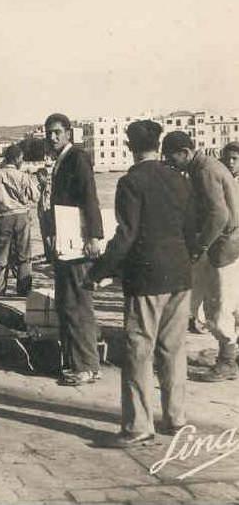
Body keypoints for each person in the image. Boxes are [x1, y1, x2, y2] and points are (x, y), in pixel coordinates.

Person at [87, 121, 196, 447]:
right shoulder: (180, 179)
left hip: (147, 278)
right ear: (159, 144)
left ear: (128, 145)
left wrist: (98, 271)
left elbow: (126, 235)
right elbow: (192, 228)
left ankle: (138, 425)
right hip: (180, 273)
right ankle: (176, 419)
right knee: (174, 350)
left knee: (139, 350)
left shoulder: (131, 182)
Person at [163, 131, 239, 382]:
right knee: (219, 305)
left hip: (223, 247)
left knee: (219, 307)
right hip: (224, 245)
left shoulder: (205, 171)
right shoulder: (205, 166)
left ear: (185, 152)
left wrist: (200, 245)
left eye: (172, 158)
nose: (171, 163)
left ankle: (228, 362)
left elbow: (220, 216)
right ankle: (228, 355)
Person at [45, 113, 104, 386]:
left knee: (76, 303)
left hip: (77, 243)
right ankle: (84, 364)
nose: (52, 137)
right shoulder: (63, 160)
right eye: (49, 132)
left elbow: (89, 196)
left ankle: (84, 367)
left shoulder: (76, 158)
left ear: (69, 133)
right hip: (67, 240)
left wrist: (94, 236)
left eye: (57, 132)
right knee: (70, 302)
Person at [0, 145, 38, 296]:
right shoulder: (23, 176)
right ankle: (24, 289)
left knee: (1, 253)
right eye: (21, 158)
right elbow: (35, 196)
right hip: (22, 216)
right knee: (24, 254)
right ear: (16, 159)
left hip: (3, 217)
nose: (22, 160)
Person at [35, 167, 55, 262]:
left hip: (50, 212)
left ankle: (52, 255)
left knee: (52, 234)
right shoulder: (39, 187)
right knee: (45, 235)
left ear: (45, 176)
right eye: (37, 177)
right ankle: (48, 256)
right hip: (42, 214)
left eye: (40, 177)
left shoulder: (50, 186)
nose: (38, 179)